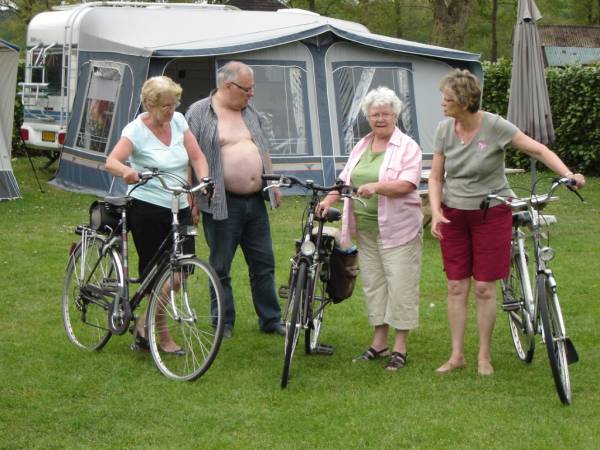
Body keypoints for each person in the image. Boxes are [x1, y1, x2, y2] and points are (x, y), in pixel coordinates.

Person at [429, 68, 585, 375]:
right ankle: (457, 354)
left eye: (448, 99)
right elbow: (436, 177)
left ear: (466, 100)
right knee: (456, 286)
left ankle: (484, 356)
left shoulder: (495, 126)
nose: (443, 104)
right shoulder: (444, 130)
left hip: (492, 212)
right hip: (454, 214)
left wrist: (568, 174)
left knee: (485, 287)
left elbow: (538, 150)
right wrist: (435, 211)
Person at [318, 86, 423, 371]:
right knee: (374, 285)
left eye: (385, 114)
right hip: (365, 229)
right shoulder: (362, 145)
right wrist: (329, 199)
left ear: (395, 115)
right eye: (374, 114)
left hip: (399, 230)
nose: (379, 119)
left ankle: (400, 347)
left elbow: (408, 184)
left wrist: (376, 187)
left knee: (400, 285)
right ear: (368, 117)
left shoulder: (408, 147)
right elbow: (344, 180)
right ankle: (379, 342)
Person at [105, 75, 209, 353]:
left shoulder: (179, 122)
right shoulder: (135, 130)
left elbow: (197, 156)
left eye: (174, 104)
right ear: (150, 105)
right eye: (165, 106)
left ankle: (144, 321)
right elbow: (111, 161)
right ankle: (160, 336)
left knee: (179, 273)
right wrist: (126, 171)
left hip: (180, 207)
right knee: (156, 276)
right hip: (148, 207)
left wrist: (204, 180)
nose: (171, 110)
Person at [185, 61, 284, 339]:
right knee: (220, 266)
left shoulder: (250, 112)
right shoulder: (199, 113)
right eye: (247, 89)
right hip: (220, 202)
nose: (251, 94)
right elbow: (190, 157)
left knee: (264, 264)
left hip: (255, 201)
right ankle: (223, 323)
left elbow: (263, 149)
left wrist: (273, 182)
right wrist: (192, 198)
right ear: (228, 86)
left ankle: (270, 319)